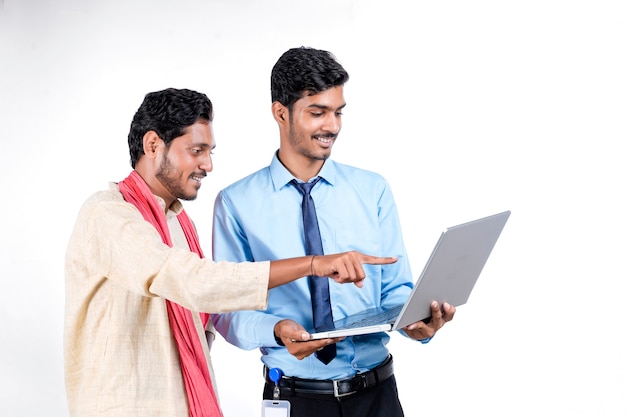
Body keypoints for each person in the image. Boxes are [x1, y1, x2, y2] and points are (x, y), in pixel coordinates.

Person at [63, 87, 398, 417]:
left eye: (210, 151)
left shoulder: (178, 224)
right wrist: (311, 264)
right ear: (153, 145)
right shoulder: (106, 213)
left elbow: (208, 316)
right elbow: (194, 282)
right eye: (196, 150)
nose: (207, 164)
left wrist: (275, 329)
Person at [210, 47, 456, 417]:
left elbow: (396, 288)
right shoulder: (236, 203)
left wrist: (417, 323)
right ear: (281, 113)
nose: (332, 126)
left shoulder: (372, 190)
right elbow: (226, 310)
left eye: (338, 112)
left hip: (377, 395)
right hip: (296, 398)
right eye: (317, 112)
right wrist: (276, 329)